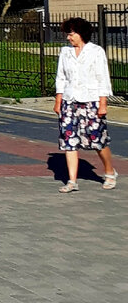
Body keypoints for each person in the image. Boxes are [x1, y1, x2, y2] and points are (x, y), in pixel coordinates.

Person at [55, 16, 117, 193]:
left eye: (71, 34)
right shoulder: (65, 52)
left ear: (81, 33)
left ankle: (109, 171)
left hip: (91, 101)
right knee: (69, 140)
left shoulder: (96, 52)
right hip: (70, 100)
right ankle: (72, 181)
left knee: (97, 139)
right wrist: (58, 100)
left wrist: (103, 103)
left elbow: (102, 78)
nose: (68, 37)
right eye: (67, 34)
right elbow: (61, 77)